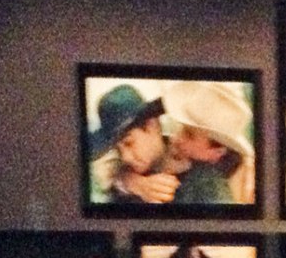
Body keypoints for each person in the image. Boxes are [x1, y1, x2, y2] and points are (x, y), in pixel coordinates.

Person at [89, 84, 233, 205]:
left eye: (129, 143)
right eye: (117, 147)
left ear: (152, 125)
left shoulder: (206, 185)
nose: (125, 157)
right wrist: (130, 182)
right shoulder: (123, 172)